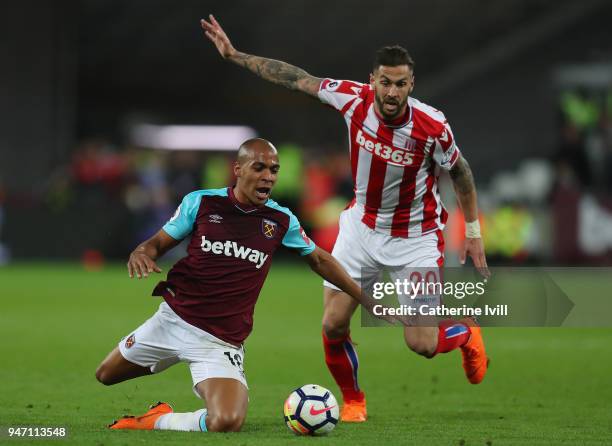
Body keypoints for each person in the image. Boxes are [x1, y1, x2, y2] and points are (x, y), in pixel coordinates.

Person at [201, 15, 490, 423]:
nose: (392, 92)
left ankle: (466, 333)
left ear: (412, 85)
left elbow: (461, 172)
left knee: (422, 343)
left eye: (401, 84)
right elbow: (296, 78)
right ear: (372, 79)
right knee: (334, 323)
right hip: (360, 229)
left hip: (416, 239)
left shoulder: (433, 126)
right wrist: (234, 55)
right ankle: (353, 400)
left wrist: (474, 232)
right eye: (385, 82)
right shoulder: (351, 98)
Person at [95, 138, 375, 433]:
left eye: (274, 169)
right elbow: (157, 243)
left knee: (227, 422)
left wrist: (364, 298)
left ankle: (159, 419)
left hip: (219, 342)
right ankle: (165, 358)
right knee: (106, 374)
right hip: (172, 321)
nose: (268, 176)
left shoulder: (280, 220)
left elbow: (319, 260)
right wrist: (142, 252)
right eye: (260, 167)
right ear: (238, 169)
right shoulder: (201, 202)